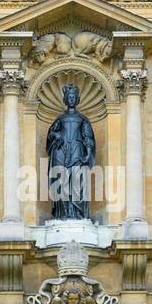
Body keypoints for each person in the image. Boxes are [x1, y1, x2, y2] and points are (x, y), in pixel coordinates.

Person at [46, 83, 96, 219]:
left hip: (77, 149)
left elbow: (88, 137)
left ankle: (76, 213)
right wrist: (56, 135)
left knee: (76, 181)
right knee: (60, 180)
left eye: (74, 97)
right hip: (60, 150)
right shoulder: (60, 119)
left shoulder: (82, 119)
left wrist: (88, 154)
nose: (72, 99)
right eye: (69, 97)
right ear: (65, 100)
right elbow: (51, 133)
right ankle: (63, 213)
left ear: (77, 99)